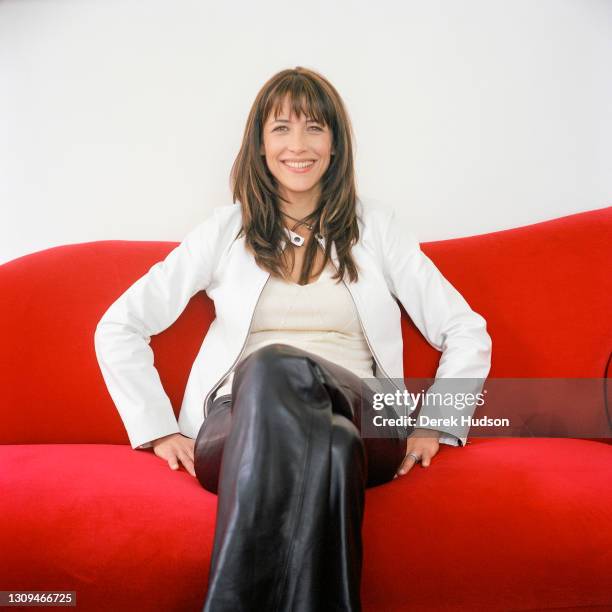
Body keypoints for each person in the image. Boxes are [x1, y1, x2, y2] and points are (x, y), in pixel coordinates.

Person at [94, 66, 492, 612]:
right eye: (281, 129)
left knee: (276, 365)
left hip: (364, 412)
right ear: (259, 145)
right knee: (327, 444)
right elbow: (119, 324)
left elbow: (465, 328)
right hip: (237, 425)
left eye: (314, 128)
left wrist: (437, 421)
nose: (298, 145)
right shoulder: (224, 231)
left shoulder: (376, 227)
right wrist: (157, 429)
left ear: (335, 144)